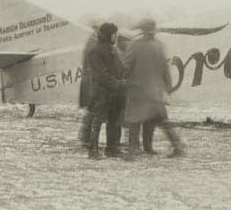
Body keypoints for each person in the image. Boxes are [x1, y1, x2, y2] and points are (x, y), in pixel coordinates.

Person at [123, 19, 185, 158]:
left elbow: (127, 66)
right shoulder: (159, 45)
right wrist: (168, 86)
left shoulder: (135, 45)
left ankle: (134, 148)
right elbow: (165, 68)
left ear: (142, 31)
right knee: (159, 119)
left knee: (135, 120)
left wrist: (125, 81)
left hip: (138, 89)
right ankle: (166, 147)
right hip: (155, 91)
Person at [85, 22, 129, 160]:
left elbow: (119, 68)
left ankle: (112, 149)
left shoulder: (112, 49)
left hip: (115, 94)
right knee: (98, 121)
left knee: (115, 122)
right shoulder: (94, 51)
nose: (116, 36)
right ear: (109, 34)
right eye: (114, 34)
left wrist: (126, 76)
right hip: (102, 94)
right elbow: (101, 75)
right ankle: (93, 150)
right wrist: (119, 84)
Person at [78, 27, 100, 147]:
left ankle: (85, 136)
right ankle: (85, 137)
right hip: (91, 82)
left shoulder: (91, 41)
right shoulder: (93, 43)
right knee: (93, 110)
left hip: (90, 81)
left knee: (92, 110)